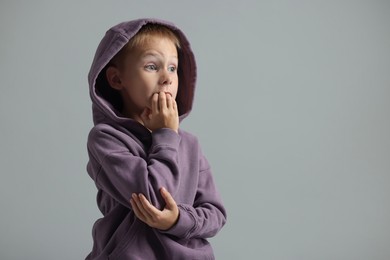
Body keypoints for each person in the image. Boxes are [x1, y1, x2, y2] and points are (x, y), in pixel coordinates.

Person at [85, 18, 227, 260]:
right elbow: (153, 198)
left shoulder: (190, 144)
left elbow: (215, 215)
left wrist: (177, 220)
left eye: (172, 68)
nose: (167, 78)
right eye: (152, 66)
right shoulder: (106, 139)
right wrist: (166, 135)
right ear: (116, 79)